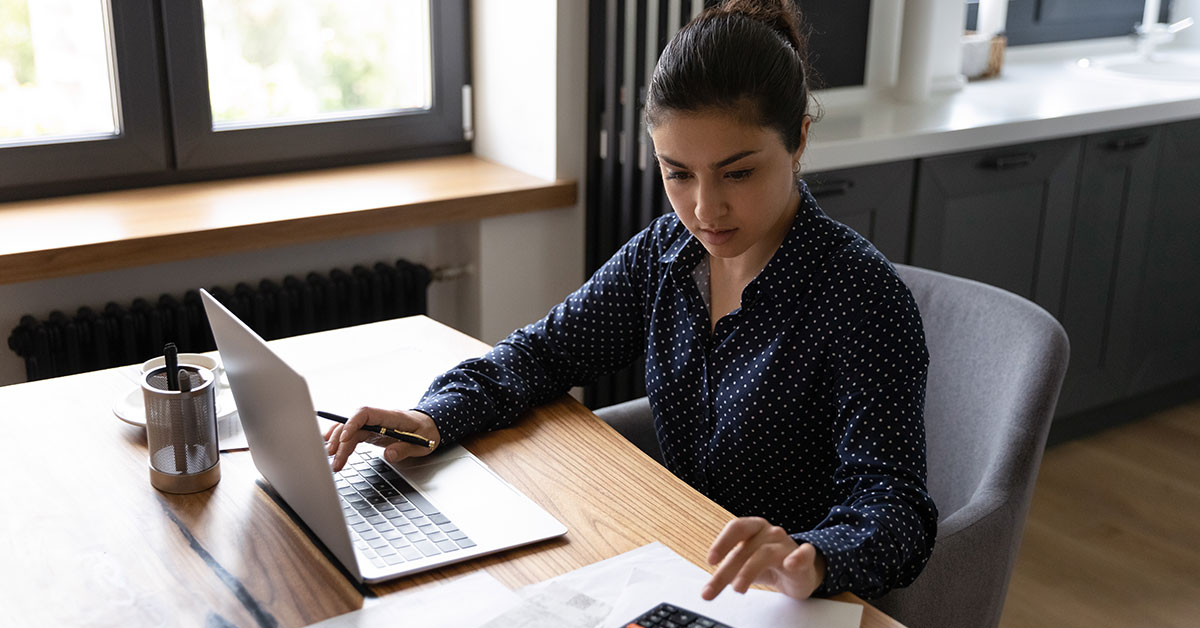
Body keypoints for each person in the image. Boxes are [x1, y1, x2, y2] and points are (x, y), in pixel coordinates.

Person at [326, 0, 937, 602]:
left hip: (792, 602)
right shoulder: (668, 254)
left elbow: (897, 508)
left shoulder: (860, 299)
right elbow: (543, 353)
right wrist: (437, 415)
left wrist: (811, 557)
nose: (705, 208)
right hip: (673, 564)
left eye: (738, 173)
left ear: (799, 138)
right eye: (678, 173)